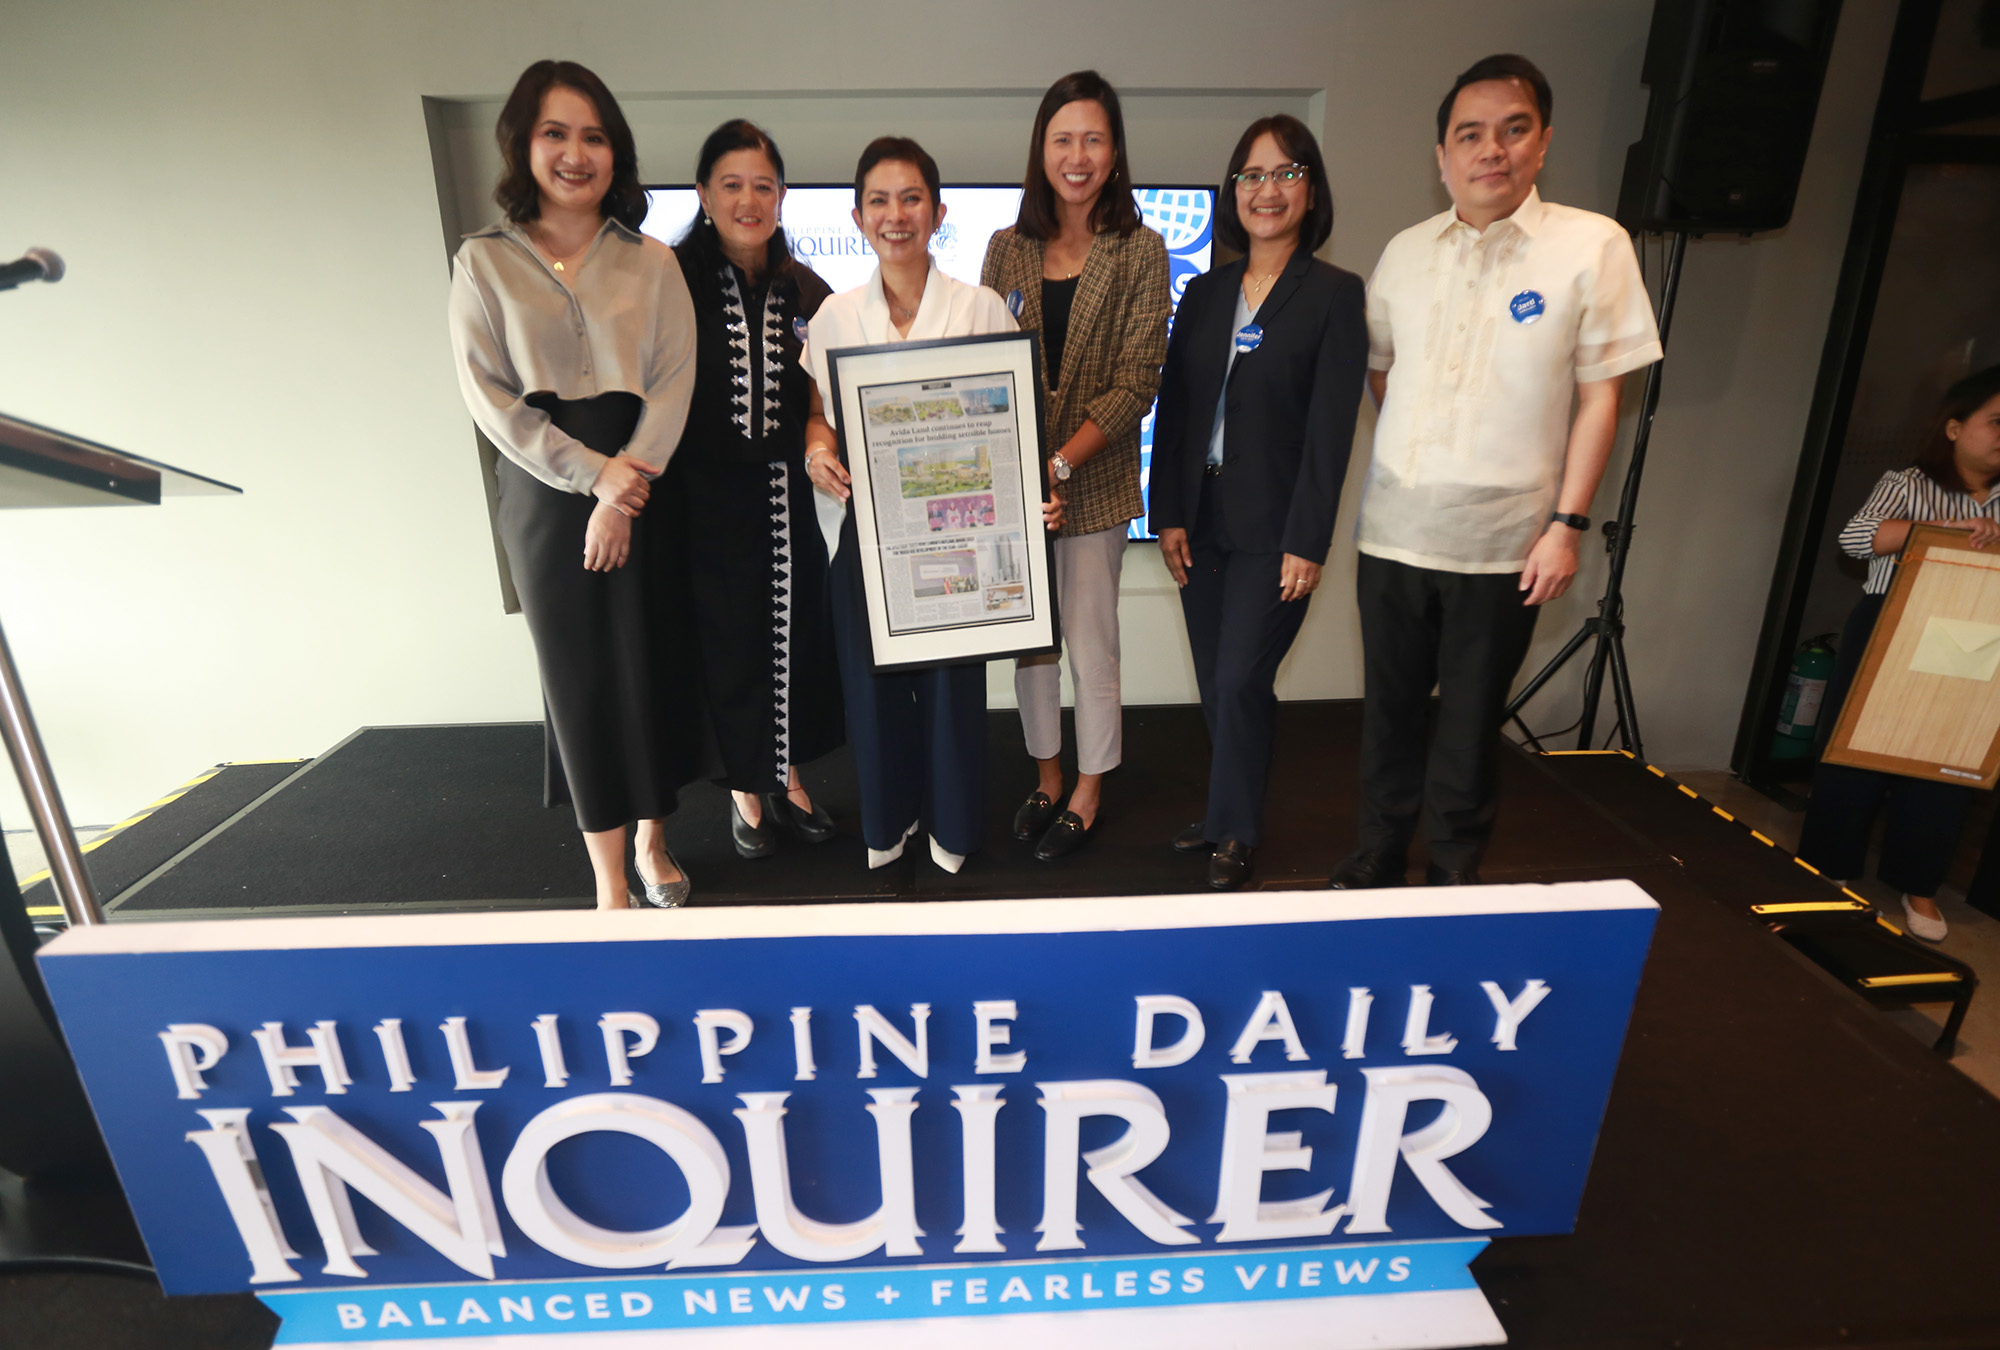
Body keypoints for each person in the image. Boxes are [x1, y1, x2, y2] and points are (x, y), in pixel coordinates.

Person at [1333, 54, 1661, 890]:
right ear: (1442, 155)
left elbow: (1601, 399)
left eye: (1513, 130)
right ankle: (1378, 853)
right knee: (1388, 714)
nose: (1492, 150)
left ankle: (1451, 871)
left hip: (1507, 546)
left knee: (1470, 725)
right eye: (1469, 134)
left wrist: (1567, 525)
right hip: (1394, 534)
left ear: (1542, 142)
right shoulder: (1406, 252)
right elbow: (1383, 373)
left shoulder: (1592, 245)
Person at [448, 61, 699, 910]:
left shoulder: (653, 260)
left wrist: (624, 486)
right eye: (555, 133)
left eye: (594, 136)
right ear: (523, 144)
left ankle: (655, 843)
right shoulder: (483, 261)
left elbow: (673, 384)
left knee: (650, 666)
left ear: (615, 151)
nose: (575, 153)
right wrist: (594, 480)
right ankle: (608, 884)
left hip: (648, 479)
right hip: (545, 494)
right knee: (580, 682)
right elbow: (489, 397)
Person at [802, 137, 1063, 874]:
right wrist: (817, 449)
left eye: (911, 198)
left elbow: (1014, 424)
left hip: (960, 536)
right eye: (879, 201)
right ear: (858, 217)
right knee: (870, 684)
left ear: (938, 213)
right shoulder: (834, 316)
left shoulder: (980, 307)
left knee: (952, 687)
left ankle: (952, 824)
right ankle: (889, 820)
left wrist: (1031, 501)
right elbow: (818, 413)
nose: (896, 215)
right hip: (869, 535)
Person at [1150, 115, 1367, 891]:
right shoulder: (1204, 292)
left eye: (1285, 173)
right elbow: (1176, 411)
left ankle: (1238, 829)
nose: (1266, 190)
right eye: (1251, 175)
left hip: (1276, 529)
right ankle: (1222, 814)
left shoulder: (1335, 295)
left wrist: (1310, 539)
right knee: (1216, 680)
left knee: (1242, 677)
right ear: (1232, 190)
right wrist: (1166, 514)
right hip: (1200, 518)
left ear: (1310, 189)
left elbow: (1331, 431)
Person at [982, 70, 1171, 862]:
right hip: (1019, 485)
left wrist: (1055, 466)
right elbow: (985, 368)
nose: (1078, 155)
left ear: (1115, 151)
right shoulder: (1007, 247)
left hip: (1091, 481)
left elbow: (1137, 382)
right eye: (1063, 139)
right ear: (1042, 150)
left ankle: (1090, 789)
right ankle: (1047, 776)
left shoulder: (1141, 249)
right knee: (1032, 645)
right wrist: (1021, 474)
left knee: (1092, 645)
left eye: (1093, 139)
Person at [668, 121, 843, 861]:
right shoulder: (671, 281)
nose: (749, 200)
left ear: (782, 195)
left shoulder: (806, 288)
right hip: (699, 501)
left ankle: (788, 776)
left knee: (792, 639)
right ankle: (746, 787)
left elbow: (827, 396)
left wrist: (819, 440)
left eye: (763, 186)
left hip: (783, 501)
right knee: (726, 647)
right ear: (704, 194)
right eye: (732, 185)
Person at [1797, 364, 2000, 941]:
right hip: (1891, 624)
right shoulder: (1909, 481)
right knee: (1855, 751)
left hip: (1978, 637)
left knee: (1947, 759)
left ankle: (1918, 885)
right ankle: (1828, 868)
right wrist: (1934, 527)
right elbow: (1855, 539)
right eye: (1996, 421)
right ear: (1956, 427)